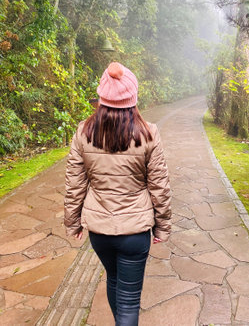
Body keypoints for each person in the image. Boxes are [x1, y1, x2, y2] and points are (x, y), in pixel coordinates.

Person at [64, 62, 171, 326]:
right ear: (132, 99)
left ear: (101, 98)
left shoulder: (83, 132)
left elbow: (74, 183)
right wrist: (162, 227)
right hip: (135, 233)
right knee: (129, 300)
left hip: (100, 232)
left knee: (113, 280)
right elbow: (160, 185)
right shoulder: (148, 133)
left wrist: (73, 222)